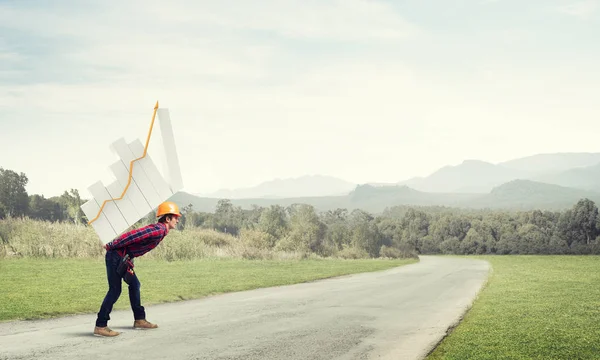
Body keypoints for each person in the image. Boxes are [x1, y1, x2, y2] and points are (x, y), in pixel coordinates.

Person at [93, 201, 181, 337]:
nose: (177, 220)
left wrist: (129, 258)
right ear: (168, 218)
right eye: (176, 217)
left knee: (135, 284)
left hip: (123, 258)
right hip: (116, 256)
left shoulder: (161, 231)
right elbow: (133, 235)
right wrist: (111, 245)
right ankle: (100, 325)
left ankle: (139, 320)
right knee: (115, 290)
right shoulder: (158, 230)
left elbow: (135, 244)